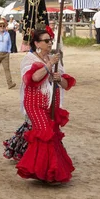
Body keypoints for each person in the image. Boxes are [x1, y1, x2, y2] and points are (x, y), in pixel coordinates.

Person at [15, 29, 76, 183]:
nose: (50, 43)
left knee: (52, 133)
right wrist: (49, 65)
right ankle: (41, 170)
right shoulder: (29, 60)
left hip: (51, 104)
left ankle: (49, 171)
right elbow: (32, 78)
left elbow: (66, 83)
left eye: (50, 40)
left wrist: (58, 78)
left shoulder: (54, 59)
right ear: (37, 43)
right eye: (46, 41)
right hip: (34, 103)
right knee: (44, 132)